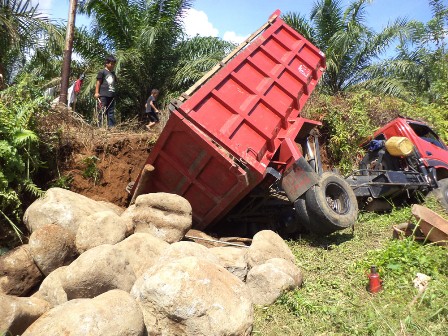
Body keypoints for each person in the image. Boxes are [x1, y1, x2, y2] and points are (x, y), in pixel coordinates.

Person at [95, 55, 117, 128]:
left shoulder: (113, 73)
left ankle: (111, 127)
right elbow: (98, 82)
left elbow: (114, 83)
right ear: (106, 63)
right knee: (101, 111)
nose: (113, 65)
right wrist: (96, 92)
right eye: (111, 63)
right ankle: (99, 127)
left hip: (111, 95)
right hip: (103, 95)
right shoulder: (102, 72)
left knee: (111, 112)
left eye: (114, 64)